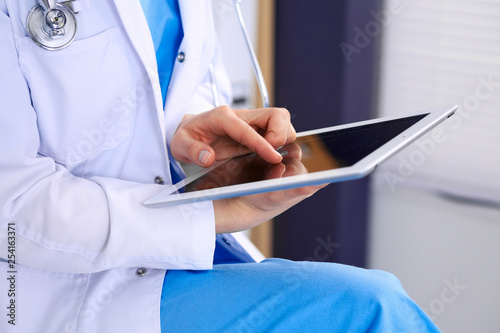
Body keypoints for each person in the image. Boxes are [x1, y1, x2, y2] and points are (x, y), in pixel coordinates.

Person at [0, 0, 440, 332]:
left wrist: (189, 132)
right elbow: (12, 209)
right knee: (372, 307)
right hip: (61, 291)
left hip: (183, 254)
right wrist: (209, 214)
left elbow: (179, 80)